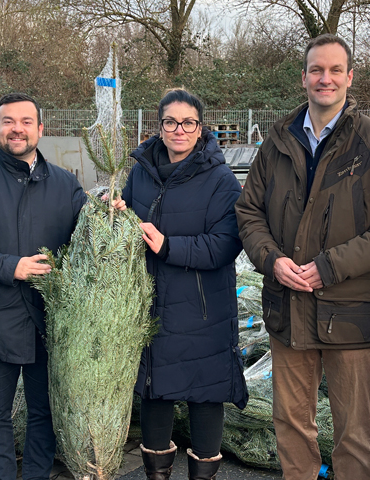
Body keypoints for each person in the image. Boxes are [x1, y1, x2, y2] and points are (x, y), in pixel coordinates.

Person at [234, 34, 370, 479]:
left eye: (335, 70)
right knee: (291, 426)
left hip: (352, 314)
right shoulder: (277, 140)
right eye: (317, 69)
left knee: (354, 435)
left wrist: (330, 267)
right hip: (288, 308)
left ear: (350, 78)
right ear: (303, 78)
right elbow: (249, 212)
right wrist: (272, 260)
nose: (325, 78)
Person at [0, 92, 86, 480]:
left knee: (44, 411)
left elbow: (87, 240)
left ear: (41, 129)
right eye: (8, 122)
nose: (17, 129)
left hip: (50, 320)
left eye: (26, 121)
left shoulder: (66, 187)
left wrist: (110, 213)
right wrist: (12, 267)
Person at [110, 89, 248, 480]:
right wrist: (116, 211)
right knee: (156, 390)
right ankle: (156, 473)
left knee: (205, 395)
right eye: (170, 122)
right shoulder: (141, 173)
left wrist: (169, 246)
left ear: (200, 128)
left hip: (203, 310)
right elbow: (125, 224)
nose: (179, 130)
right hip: (151, 304)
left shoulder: (221, 180)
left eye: (188, 122)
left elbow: (226, 245)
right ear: (160, 126)